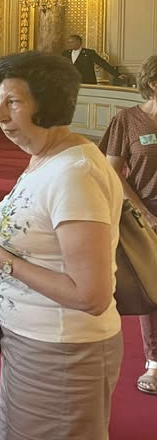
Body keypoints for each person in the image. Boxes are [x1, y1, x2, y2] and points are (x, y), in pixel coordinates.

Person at [0, 52, 124, 439]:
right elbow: (43, 225)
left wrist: (0, 258)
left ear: (48, 102)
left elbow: (91, 296)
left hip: (64, 351)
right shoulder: (45, 157)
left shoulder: (75, 173)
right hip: (32, 341)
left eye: (13, 102)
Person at [99, 53, 157, 396]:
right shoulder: (128, 120)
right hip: (146, 215)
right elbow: (112, 172)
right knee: (154, 289)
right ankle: (155, 362)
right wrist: (143, 213)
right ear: (153, 83)